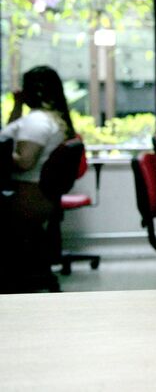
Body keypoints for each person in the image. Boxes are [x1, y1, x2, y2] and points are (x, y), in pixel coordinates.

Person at [0, 66, 75, 290]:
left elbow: (24, 162)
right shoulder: (50, 119)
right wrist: (18, 105)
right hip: (39, 198)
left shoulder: (37, 122)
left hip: (24, 197)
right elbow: (11, 130)